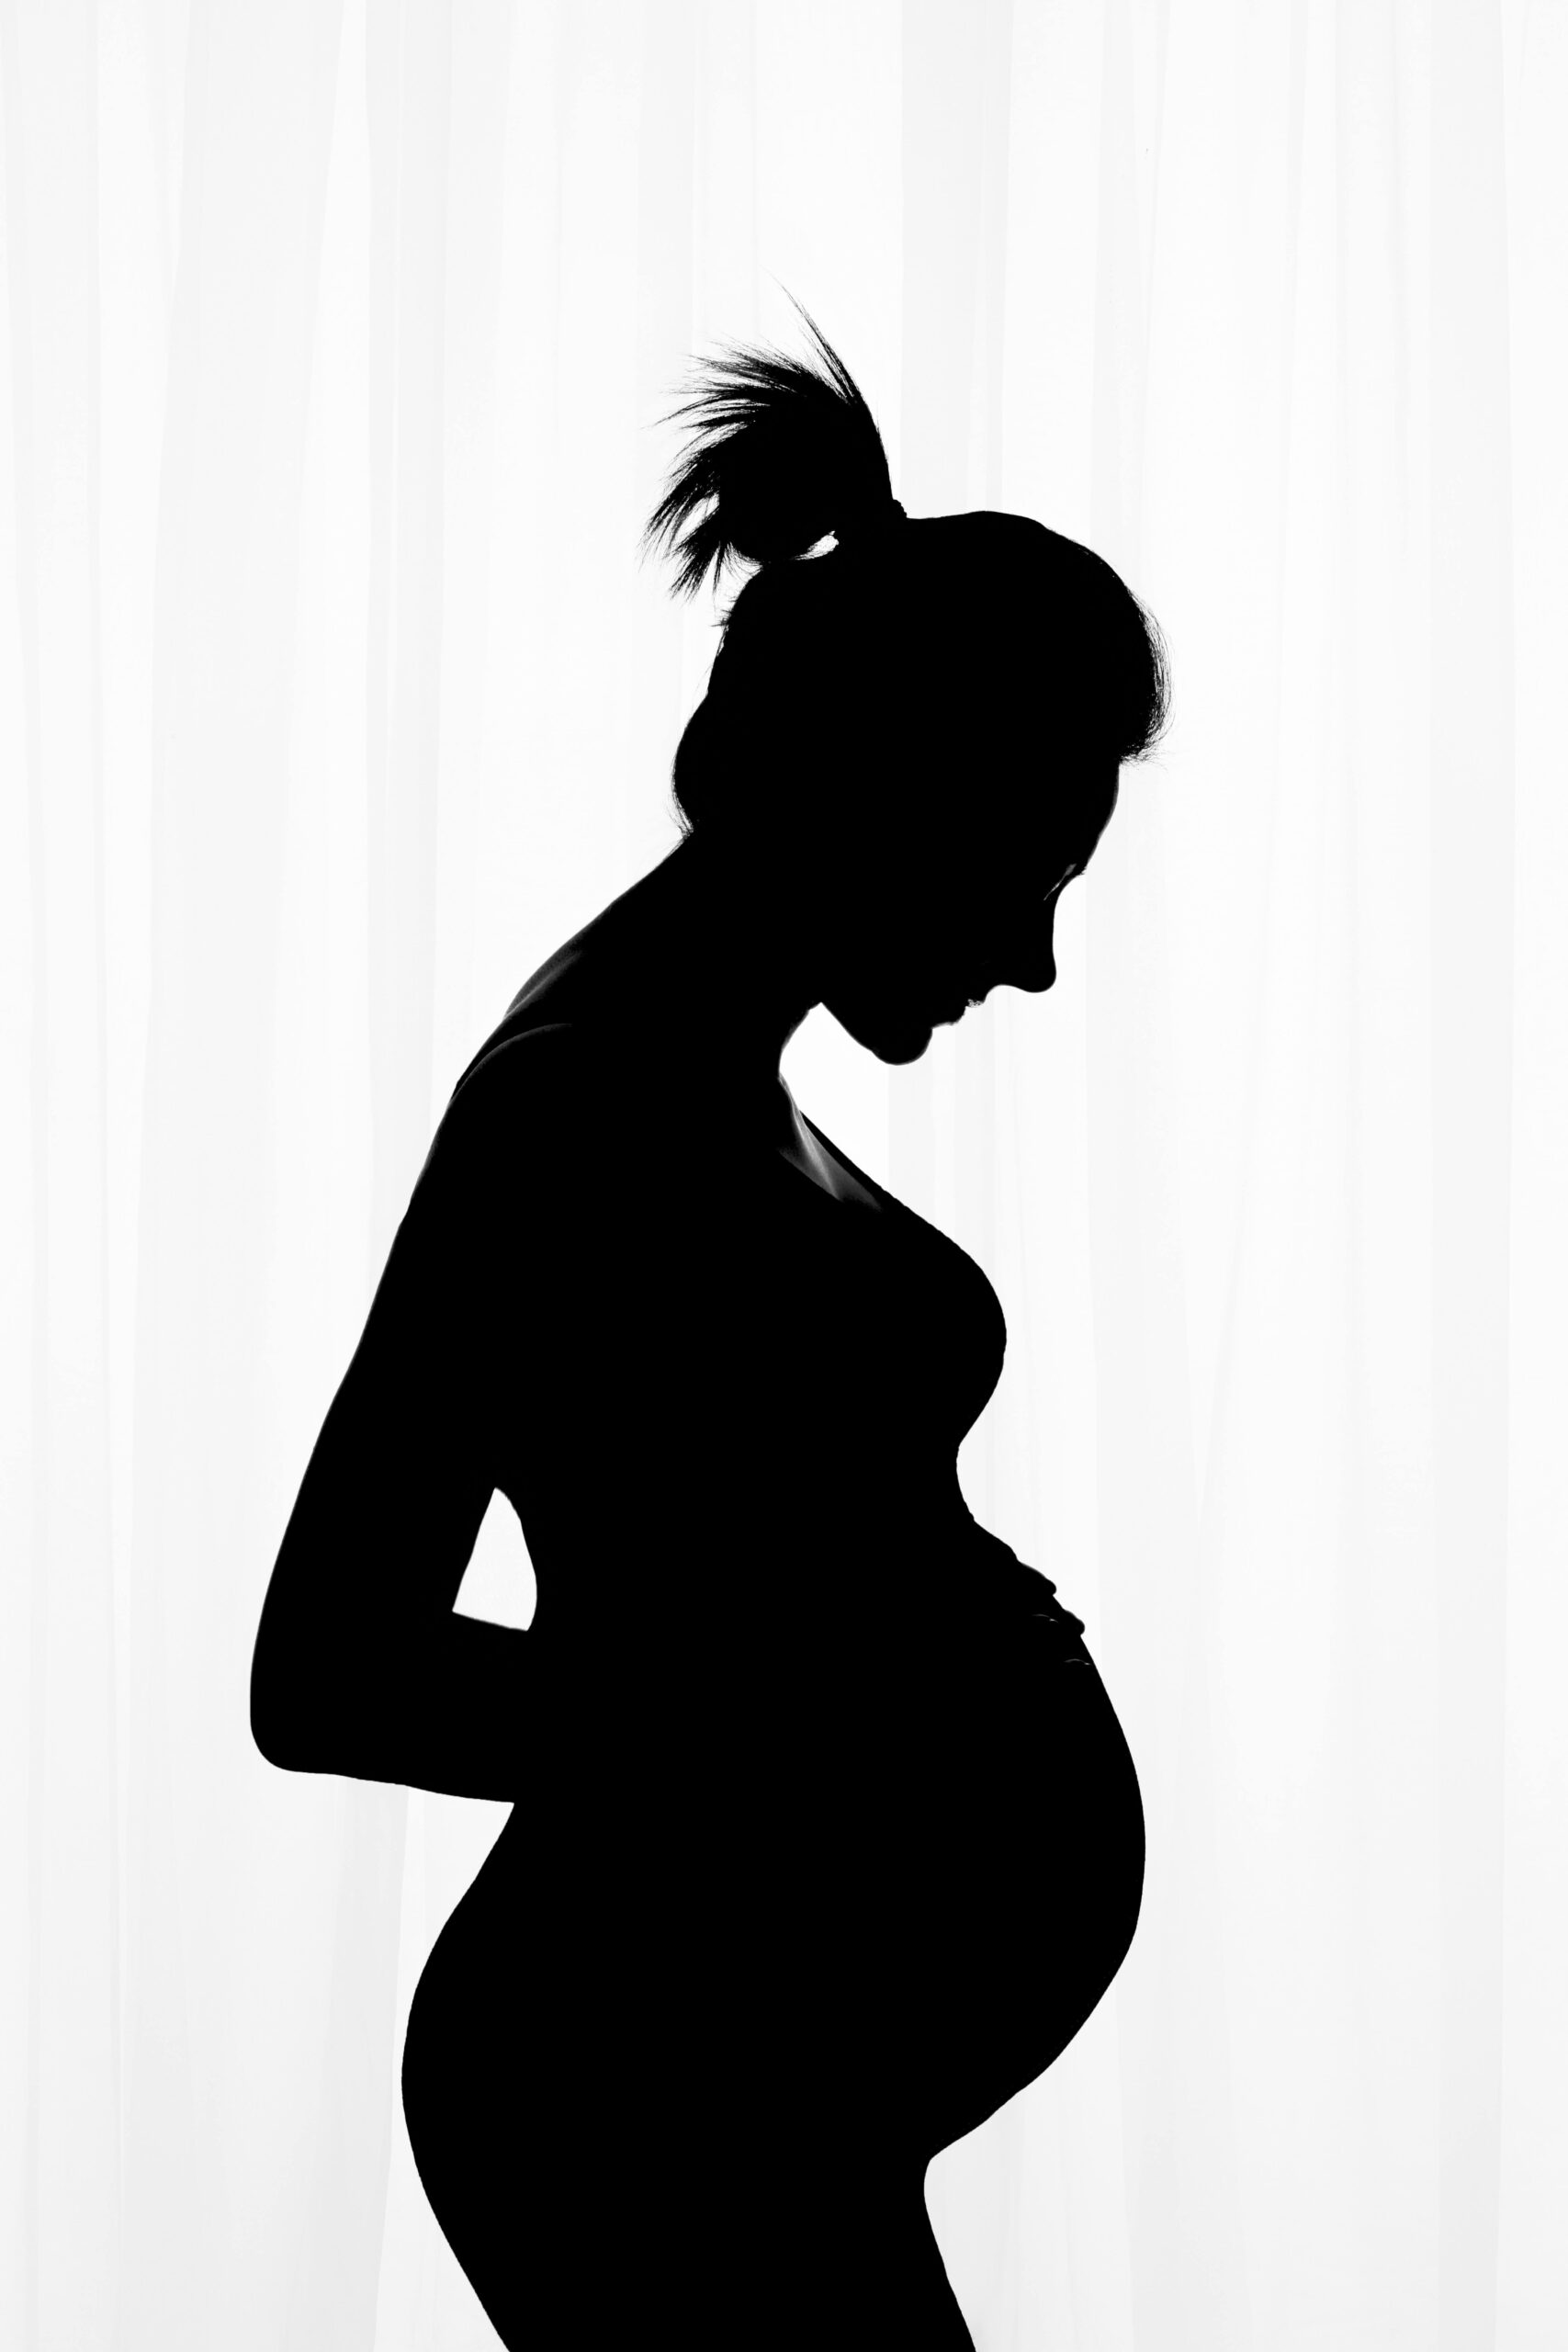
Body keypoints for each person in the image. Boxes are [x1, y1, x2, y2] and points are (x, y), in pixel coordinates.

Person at [251, 301, 1168, 2350]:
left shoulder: (702, 1082)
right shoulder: (573, 1106)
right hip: (640, 2076)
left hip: (760, 2076)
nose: (1026, 958)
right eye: (1020, 867)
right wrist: (803, 1737)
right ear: (882, 786)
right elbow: (325, 1664)